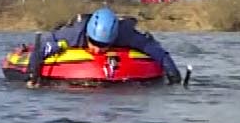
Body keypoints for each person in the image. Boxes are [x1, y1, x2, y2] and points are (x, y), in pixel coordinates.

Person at [25, 5, 181, 86]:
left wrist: (173, 76)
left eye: (104, 45)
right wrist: (32, 77)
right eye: (95, 44)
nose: (98, 50)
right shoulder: (73, 34)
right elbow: (42, 48)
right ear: (88, 36)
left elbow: (156, 50)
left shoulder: (125, 34)